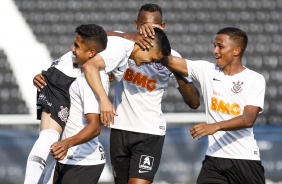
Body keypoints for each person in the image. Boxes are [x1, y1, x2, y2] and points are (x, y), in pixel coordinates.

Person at [33, 26, 172, 183]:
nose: (149, 64)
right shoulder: (119, 50)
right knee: (46, 138)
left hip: (83, 158)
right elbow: (89, 65)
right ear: (146, 45)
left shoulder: (121, 57)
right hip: (75, 156)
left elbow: (98, 40)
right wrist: (104, 100)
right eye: (152, 59)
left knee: (46, 138)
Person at [102, 4, 200, 184]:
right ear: (135, 25)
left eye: (153, 27)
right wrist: (129, 37)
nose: (147, 31)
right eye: (143, 26)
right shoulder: (125, 44)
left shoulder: (169, 55)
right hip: (119, 130)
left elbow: (194, 102)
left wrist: (172, 68)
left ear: (162, 27)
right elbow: (96, 35)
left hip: (148, 133)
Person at [160, 27, 266, 184]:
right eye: (214, 46)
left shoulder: (254, 79)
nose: (215, 51)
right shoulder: (207, 70)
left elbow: (248, 119)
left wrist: (214, 126)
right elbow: (171, 61)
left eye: (220, 46)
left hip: (245, 159)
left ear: (236, 50)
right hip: (214, 160)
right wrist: (152, 46)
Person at [24, 24, 108, 184]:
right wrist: (40, 79)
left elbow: (95, 127)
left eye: (77, 46)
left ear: (91, 53)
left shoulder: (90, 81)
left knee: (47, 137)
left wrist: (66, 143)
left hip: (83, 163)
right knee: (46, 137)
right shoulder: (69, 61)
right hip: (64, 159)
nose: (72, 49)